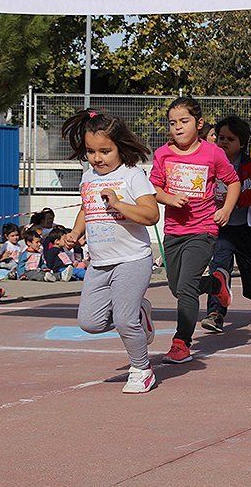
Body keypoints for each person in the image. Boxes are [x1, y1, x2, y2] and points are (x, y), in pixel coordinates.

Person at [62, 109, 160, 393]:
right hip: (100, 262)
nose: (97, 158)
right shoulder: (88, 177)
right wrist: (75, 232)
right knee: (90, 323)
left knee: (123, 320)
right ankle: (141, 314)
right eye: (91, 151)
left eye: (105, 151)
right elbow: (86, 208)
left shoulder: (132, 175)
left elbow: (151, 214)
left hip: (132, 259)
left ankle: (142, 369)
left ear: (120, 146)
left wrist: (118, 204)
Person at [149, 96, 240, 364]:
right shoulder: (162, 154)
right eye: (172, 123)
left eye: (184, 121)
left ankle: (181, 342)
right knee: (178, 288)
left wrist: (225, 210)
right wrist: (168, 198)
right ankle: (216, 283)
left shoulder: (213, 153)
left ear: (199, 124)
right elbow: (153, 188)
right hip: (174, 231)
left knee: (187, 287)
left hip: (203, 230)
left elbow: (233, 182)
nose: (177, 127)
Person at [201, 116, 251, 332]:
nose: (224, 142)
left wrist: (236, 201)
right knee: (219, 267)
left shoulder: (250, 166)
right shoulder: (209, 163)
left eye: (230, 139)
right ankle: (215, 313)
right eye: (220, 137)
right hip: (221, 227)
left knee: (250, 268)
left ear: (242, 143)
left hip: (245, 228)